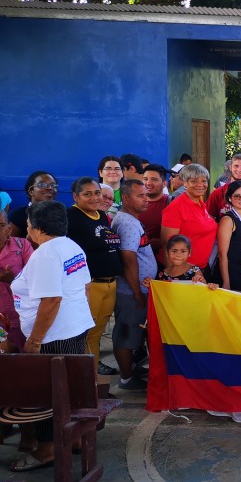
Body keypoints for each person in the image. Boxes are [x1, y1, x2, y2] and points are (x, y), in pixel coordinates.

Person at [7, 201, 94, 472]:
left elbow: (52, 300)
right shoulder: (71, 246)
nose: (27, 228)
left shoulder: (46, 254)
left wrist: (34, 341)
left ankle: (46, 449)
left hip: (52, 337)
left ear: (38, 228)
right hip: (74, 328)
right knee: (70, 390)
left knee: (47, 395)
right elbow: (85, 286)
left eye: (29, 224)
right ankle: (76, 438)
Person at [67, 177, 122, 375]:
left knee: (96, 334)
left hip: (110, 284)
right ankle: (85, 382)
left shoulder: (101, 215)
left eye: (97, 193)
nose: (94, 197)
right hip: (90, 286)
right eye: (87, 194)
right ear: (76, 196)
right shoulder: (70, 217)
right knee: (85, 335)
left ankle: (93, 381)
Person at [111, 179, 157, 391]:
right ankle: (127, 378)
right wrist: (137, 292)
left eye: (146, 195)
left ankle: (131, 370)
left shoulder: (131, 220)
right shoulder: (128, 223)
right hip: (131, 292)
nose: (145, 200)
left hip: (138, 289)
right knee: (127, 333)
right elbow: (128, 259)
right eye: (140, 196)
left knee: (134, 333)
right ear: (126, 198)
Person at [161, 164, 218, 272]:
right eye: (194, 181)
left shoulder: (202, 204)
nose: (200, 185)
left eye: (204, 181)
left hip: (201, 269)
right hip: (183, 272)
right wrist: (174, 276)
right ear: (185, 183)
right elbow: (166, 245)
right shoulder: (176, 207)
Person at [0, 209, 33, 351]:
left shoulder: (23, 246)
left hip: (19, 317)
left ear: (9, 228)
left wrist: (13, 280)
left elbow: (35, 280)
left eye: (1, 225)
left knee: (21, 363)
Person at [9, 171, 58, 239]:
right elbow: (9, 245)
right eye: (42, 185)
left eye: (53, 185)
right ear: (31, 191)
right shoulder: (17, 215)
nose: (49, 188)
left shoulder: (61, 214)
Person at [138, 164, 169, 261]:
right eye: (145, 179)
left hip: (163, 260)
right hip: (138, 259)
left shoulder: (172, 203)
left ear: (164, 184)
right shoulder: (133, 203)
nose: (148, 183)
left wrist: (161, 242)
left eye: (154, 180)